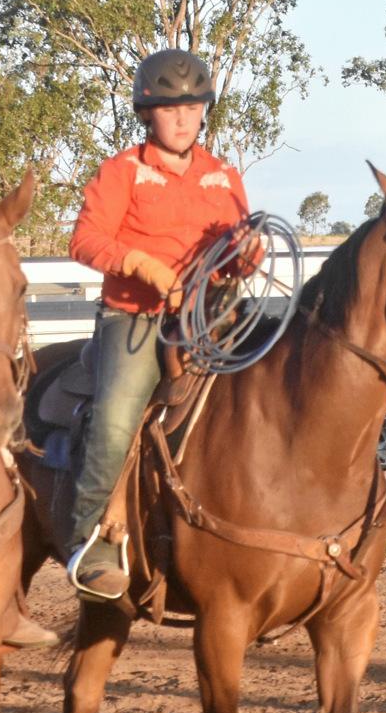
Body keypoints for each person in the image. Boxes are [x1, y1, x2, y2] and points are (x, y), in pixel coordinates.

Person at [62, 48, 253, 600]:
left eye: (193, 108)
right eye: (171, 109)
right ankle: (89, 538)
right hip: (137, 318)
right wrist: (141, 264)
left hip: (208, 315)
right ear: (149, 113)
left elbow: (237, 253)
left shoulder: (223, 176)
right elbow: (85, 240)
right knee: (118, 415)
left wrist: (250, 253)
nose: (183, 118)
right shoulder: (123, 172)